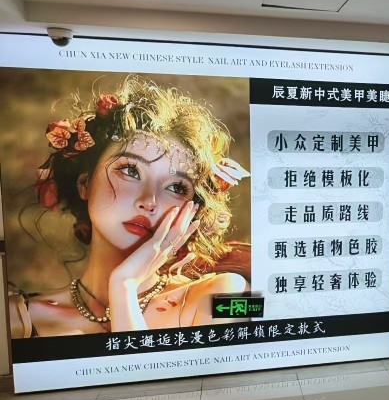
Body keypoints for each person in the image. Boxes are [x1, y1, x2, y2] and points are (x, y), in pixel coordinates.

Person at [8, 76, 250, 337]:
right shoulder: (16, 317)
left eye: (176, 187)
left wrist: (124, 286)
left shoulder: (232, 294)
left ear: (193, 208)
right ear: (85, 184)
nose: (149, 201)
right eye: (131, 171)